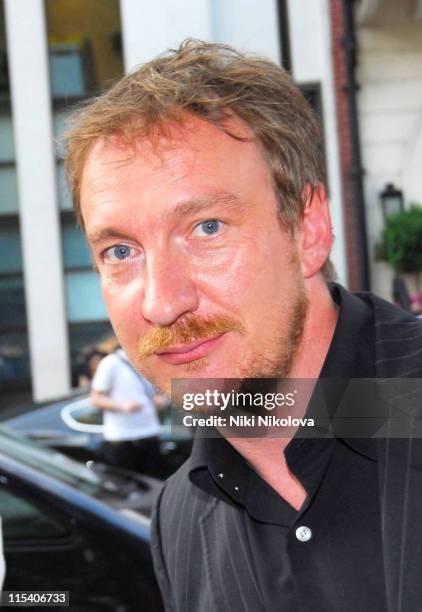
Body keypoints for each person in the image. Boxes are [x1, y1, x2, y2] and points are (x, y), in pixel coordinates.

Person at [63, 40, 422, 611]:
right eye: (120, 251)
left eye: (206, 228)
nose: (161, 303)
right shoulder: (178, 521)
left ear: (308, 229)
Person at [90, 346, 164, 474]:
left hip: (150, 434)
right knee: (123, 487)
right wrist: (123, 406)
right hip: (122, 439)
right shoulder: (111, 363)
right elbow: (95, 399)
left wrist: (159, 400)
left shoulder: (150, 360)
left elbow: (157, 394)